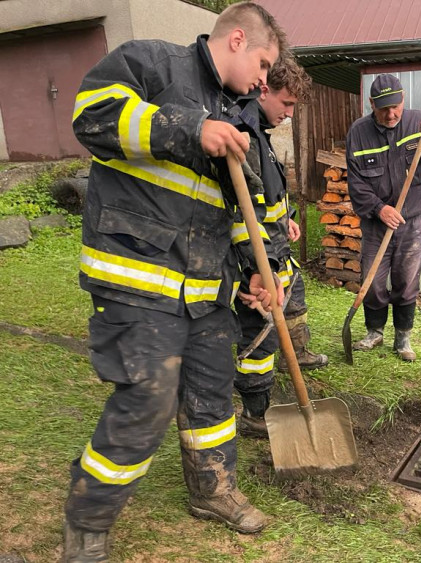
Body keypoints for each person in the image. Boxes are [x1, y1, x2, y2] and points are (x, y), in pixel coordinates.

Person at [63, 3, 286, 561]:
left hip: (207, 288)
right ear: (237, 39)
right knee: (149, 400)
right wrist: (190, 127)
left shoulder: (245, 119)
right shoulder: (151, 64)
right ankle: (88, 524)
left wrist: (262, 270)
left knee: (212, 396)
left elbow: (246, 211)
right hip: (139, 277)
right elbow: (91, 117)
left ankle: (213, 489)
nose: (265, 79)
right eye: (263, 63)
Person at [232, 55, 328, 439]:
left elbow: (267, 197)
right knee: (259, 336)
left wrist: (285, 216)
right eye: (287, 104)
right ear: (264, 89)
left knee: (294, 297)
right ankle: (256, 412)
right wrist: (262, 268)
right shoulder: (245, 137)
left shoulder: (261, 137)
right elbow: (244, 214)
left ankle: (297, 353)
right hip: (253, 258)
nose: (289, 114)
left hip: (272, 245)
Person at [345, 74, 421, 361]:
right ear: (371, 104)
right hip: (376, 223)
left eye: (395, 106)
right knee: (374, 279)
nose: (391, 114)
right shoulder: (358, 132)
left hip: (412, 222)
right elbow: (356, 184)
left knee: (406, 279)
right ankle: (375, 331)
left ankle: (402, 338)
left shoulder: (419, 123)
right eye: (383, 108)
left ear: (403, 100)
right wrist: (380, 208)